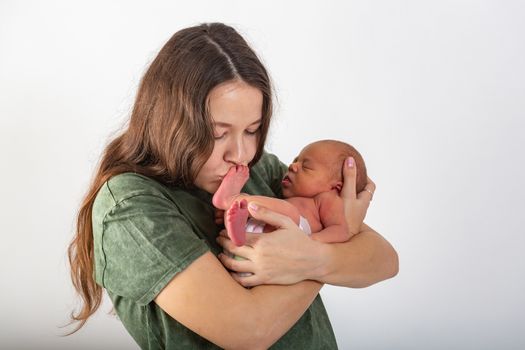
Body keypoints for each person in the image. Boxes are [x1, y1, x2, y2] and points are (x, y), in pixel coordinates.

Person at [67, 23, 398, 349]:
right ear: (170, 125)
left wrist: (311, 257)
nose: (241, 153)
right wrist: (329, 248)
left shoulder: (259, 170)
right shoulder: (131, 205)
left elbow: (384, 260)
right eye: (218, 134)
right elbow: (249, 332)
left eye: (252, 130)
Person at [212, 139, 368, 247]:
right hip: (249, 244)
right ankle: (237, 226)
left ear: (336, 188)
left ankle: (232, 200)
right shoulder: (296, 198)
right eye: (295, 160)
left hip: (295, 237)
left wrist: (312, 241)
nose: (293, 166)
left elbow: (341, 230)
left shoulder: (328, 199)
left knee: (289, 211)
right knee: (270, 211)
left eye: (306, 167)